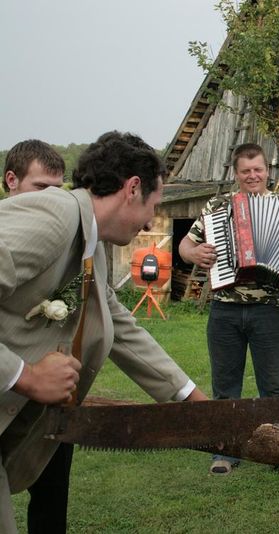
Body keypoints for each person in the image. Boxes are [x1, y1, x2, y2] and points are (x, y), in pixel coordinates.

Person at [0, 131, 208, 533]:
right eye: (153, 203)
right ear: (132, 189)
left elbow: (120, 325)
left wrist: (191, 401)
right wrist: (25, 376)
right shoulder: (55, 216)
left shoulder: (87, 238)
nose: (151, 219)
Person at [179, 142, 279, 477]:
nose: (253, 176)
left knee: (275, 386)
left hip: (269, 309)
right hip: (224, 310)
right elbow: (187, 243)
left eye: (258, 169)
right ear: (236, 173)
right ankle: (225, 452)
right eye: (246, 171)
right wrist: (194, 253)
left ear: (266, 171)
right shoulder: (217, 206)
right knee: (225, 385)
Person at [2, 139, 70, 534]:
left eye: (58, 191)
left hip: (49, 401)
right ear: (11, 180)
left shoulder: (66, 240)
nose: (52, 201)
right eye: (41, 189)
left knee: (51, 498)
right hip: (7, 387)